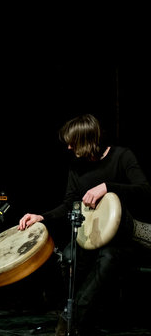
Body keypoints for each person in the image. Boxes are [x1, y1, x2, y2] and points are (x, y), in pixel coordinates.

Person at [18, 114, 151, 336]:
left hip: (124, 238)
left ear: (89, 139)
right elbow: (69, 205)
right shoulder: (76, 167)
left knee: (108, 258)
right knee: (70, 254)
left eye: (74, 142)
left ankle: (73, 317)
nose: (69, 147)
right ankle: (81, 318)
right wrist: (42, 217)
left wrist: (108, 187)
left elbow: (145, 191)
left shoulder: (121, 156)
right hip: (92, 237)